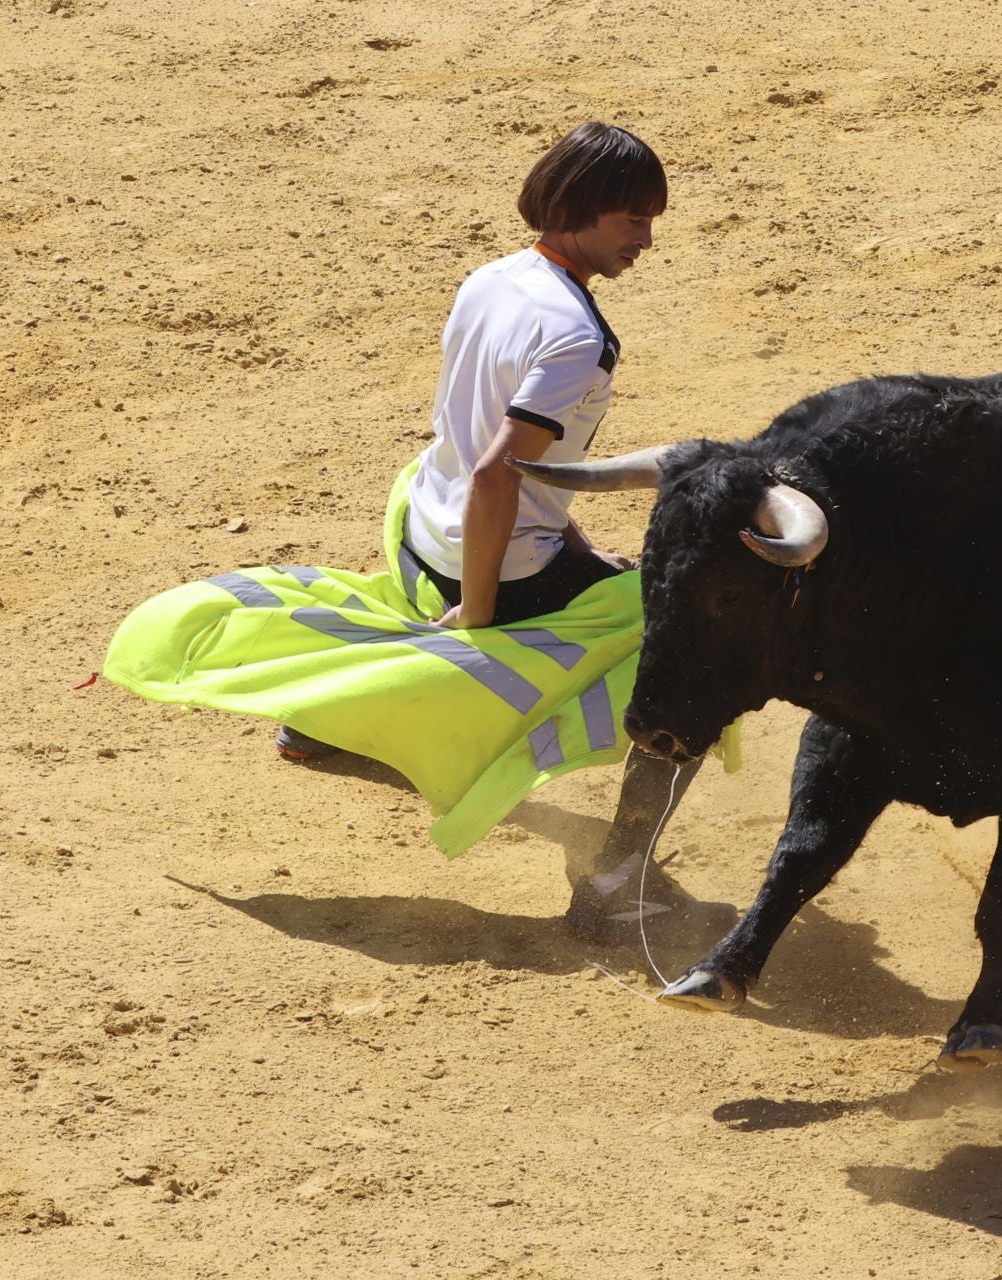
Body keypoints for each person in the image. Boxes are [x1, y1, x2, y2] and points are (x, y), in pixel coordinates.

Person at [277, 121, 708, 941]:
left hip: (419, 529)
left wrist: (573, 541)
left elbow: (474, 442)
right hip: (489, 561)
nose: (647, 241)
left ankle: (319, 722)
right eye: (634, 220)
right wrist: (479, 611)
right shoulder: (579, 338)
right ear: (582, 208)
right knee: (696, 664)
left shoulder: (493, 278)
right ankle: (615, 883)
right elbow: (498, 473)